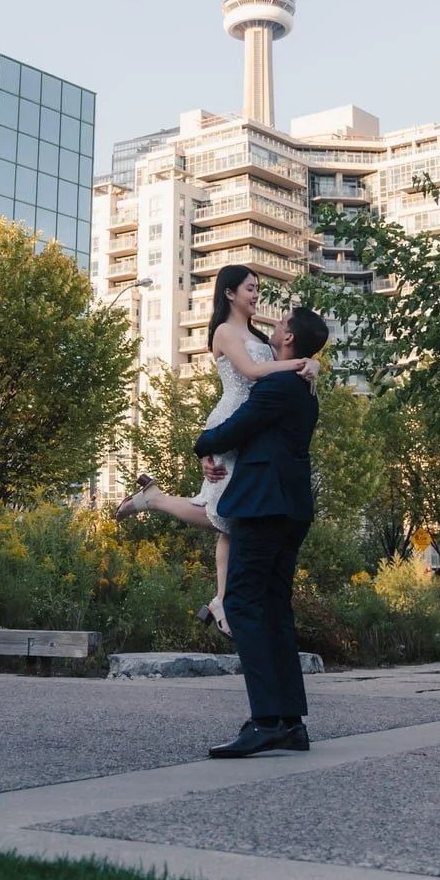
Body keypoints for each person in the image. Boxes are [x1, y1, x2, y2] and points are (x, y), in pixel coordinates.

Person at [115, 265, 319, 634]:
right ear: (229, 293)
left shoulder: (258, 335)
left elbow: (285, 353)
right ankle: (155, 500)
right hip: (231, 423)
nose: (256, 295)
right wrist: (301, 363)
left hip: (253, 427)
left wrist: (313, 362)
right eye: (250, 288)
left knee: (236, 519)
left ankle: (223, 600)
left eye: (257, 288)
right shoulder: (224, 332)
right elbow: (253, 372)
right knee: (221, 515)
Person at [192, 304, 329, 759]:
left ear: (289, 338)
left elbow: (235, 428)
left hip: (263, 507)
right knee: (273, 609)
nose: (274, 324)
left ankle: (266, 721)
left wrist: (202, 444)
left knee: (242, 602)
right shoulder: (305, 388)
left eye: (281, 322)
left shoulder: (278, 385)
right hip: (291, 509)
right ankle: (290, 723)